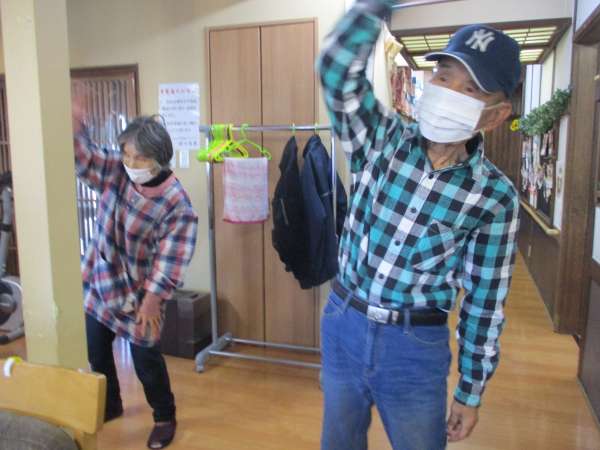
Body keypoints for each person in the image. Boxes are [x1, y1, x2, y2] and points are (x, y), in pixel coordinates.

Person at [317, 1, 521, 449]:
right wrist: (373, 7)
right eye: (444, 76)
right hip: (343, 321)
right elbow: (335, 72)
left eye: (470, 89)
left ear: (495, 114)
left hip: (415, 347)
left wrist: (470, 391)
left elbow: (485, 302)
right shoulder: (381, 138)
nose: (449, 92)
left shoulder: (495, 196)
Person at [72, 107, 198, 450]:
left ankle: (164, 417)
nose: (131, 163)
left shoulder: (176, 203)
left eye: (139, 157)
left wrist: (152, 300)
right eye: (127, 154)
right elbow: (86, 159)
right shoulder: (116, 171)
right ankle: (110, 404)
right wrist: (75, 125)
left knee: (146, 361)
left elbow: (172, 259)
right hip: (101, 281)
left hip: (142, 294)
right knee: (96, 350)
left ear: (159, 159)